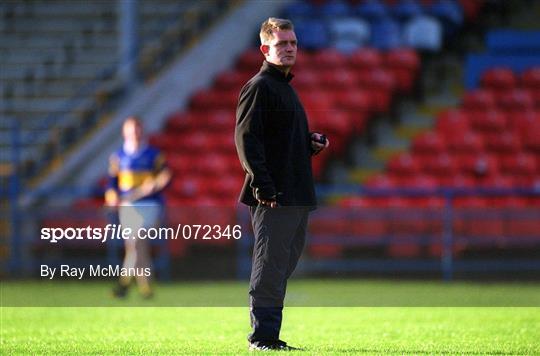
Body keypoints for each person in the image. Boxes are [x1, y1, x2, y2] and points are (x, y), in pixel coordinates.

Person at [235, 17, 329, 351]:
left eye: (292, 43)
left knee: (282, 265)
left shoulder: (284, 88)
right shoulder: (260, 86)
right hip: (275, 196)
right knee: (270, 266)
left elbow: (278, 141)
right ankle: (261, 337)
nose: (289, 49)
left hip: (294, 193)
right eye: (281, 44)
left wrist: (308, 142)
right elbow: (247, 140)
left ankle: (268, 334)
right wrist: (264, 187)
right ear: (265, 49)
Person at [105, 116, 172, 299]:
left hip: (150, 205)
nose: (134, 132)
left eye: (137, 128)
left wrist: (155, 183)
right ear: (124, 131)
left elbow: (166, 176)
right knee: (136, 246)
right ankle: (146, 288)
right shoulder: (117, 157)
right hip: (128, 205)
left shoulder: (154, 155)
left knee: (136, 241)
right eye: (130, 128)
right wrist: (112, 197)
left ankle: (124, 283)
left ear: (142, 130)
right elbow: (112, 184)